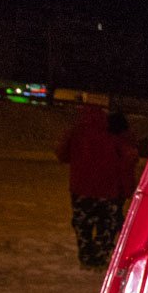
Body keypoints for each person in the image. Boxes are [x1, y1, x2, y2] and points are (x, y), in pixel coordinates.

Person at [56, 105, 138, 268]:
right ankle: (100, 257)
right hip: (109, 191)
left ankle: (86, 258)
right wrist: (127, 189)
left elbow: (62, 155)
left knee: (83, 226)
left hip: (81, 189)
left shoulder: (76, 132)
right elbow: (127, 162)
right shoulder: (116, 134)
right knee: (106, 226)